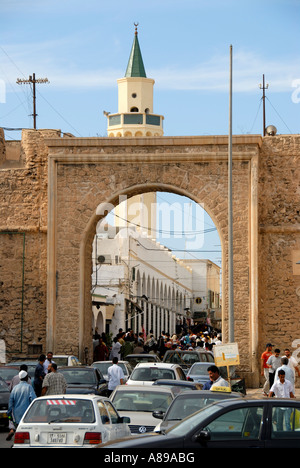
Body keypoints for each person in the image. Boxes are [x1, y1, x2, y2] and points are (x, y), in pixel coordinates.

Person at [7, 371, 36, 439]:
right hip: (27, 414)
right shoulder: (29, 387)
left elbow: (11, 402)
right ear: (26, 378)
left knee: (19, 431)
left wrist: (9, 413)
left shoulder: (15, 388)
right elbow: (33, 399)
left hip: (17, 414)